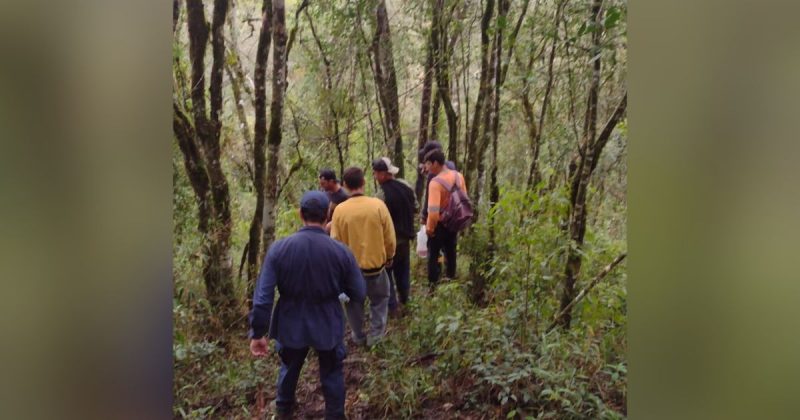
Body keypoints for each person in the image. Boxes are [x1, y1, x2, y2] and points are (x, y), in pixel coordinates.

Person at [249, 190, 366, 420]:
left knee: (289, 367)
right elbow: (359, 292)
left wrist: (258, 333)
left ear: (301, 214)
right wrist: (338, 292)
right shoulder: (341, 252)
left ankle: (283, 410)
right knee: (332, 372)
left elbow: (263, 298)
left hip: (291, 321)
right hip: (328, 321)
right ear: (327, 215)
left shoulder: (279, 249)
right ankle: (335, 415)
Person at [331, 167, 396, 346]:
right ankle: (376, 337)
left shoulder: (340, 210)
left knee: (353, 304)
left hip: (351, 272)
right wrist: (389, 256)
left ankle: (358, 336)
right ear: (364, 182)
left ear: (345, 185)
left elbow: (335, 243)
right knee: (380, 300)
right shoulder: (378, 206)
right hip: (376, 268)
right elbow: (389, 237)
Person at [371, 157, 417, 317]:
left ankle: (393, 308)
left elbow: (376, 219)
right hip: (406, 239)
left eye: (376, 173)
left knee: (387, 274)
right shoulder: (406, 186)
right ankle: (405, 300)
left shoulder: (381, 195)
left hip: (389, 242)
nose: (375, 176)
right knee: (403, 271)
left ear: (383, 174)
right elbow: (416, 207)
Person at [423, 149, 467, 289]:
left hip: (440, 225)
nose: (427, 167)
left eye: (428, 164)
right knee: (451, 252)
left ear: (436, 163)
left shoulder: (435, 183)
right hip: (454, 222)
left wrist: (430, 229)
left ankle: (433, 287)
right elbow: (464, 199)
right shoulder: (459, 176)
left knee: (433, 255)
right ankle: (451, 282)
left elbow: (433, 212)